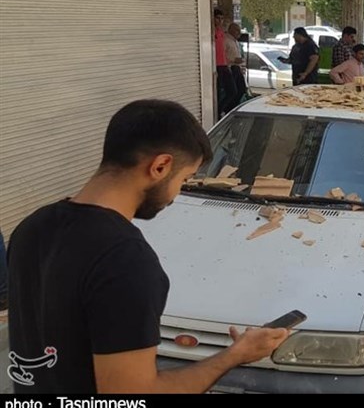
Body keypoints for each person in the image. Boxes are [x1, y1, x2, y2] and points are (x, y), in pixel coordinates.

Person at [6, 100, 290, 393]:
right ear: (160, 166)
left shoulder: (32, 227)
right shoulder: (125, 260)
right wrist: (235, 355)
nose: (176, 194)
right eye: (184, 179)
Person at [213, 9, 238, 118]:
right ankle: (217, 113)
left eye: (221, 19)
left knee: (232, 91)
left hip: (224, 65)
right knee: (217, 91)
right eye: (217, 18)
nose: (220, 21)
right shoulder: (212, 32)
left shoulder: (221, 32)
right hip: (216, 66)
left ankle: (221, 109)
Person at [225, 23, 247, 106]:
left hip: (237, 67)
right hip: (230, 68)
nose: (239, 32)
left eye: (239, 30)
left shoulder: (236, 41)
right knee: (233, 91)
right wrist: (233, 60)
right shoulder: (225, 40)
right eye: (236, 30)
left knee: (242, 89)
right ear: (231, 30)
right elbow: (222, 56)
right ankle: (228, 108)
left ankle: (234, 106)